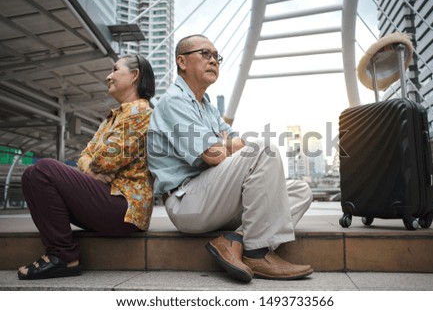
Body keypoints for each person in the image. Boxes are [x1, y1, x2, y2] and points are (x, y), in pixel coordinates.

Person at [147, 34, 314, 283]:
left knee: (301, 191)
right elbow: (214, 155)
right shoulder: (174, 102)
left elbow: (233, 143)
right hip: (187, 201)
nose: (214, 61)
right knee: (263, 148)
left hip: (215, 195)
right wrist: (227, 143)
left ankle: (233, 240)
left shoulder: (207, 107)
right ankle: (257, 254)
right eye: (205, 54)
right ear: (181, 62)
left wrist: (226, 143)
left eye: (217, 57)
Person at [18, 54, 155, 280]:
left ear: (134, 76)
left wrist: (95, 165)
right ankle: (60, 253)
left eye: (114, 69)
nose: (108, 76)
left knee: (44, 169)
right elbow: (86, 155)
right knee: (31, 175)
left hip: (125, 208)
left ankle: (63, 255)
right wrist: (94, 171)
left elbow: (105, 159)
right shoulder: (112, 118)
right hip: (106, 198)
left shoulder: (141, 112)